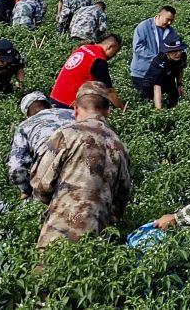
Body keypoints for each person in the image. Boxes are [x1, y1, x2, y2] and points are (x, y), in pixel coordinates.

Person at [30, 82, 131, 249]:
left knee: (46, 271)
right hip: (98, 237)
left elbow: (40, 184)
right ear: (108, 111)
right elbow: (122, 196)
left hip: (58, 232)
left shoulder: (66, 135)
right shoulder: (119, 146)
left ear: (75, 108)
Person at [7, 92, 75, 199]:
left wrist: (25, 189)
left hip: (53, 170)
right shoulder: (73, 113)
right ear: (49, 105)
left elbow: (16, 165)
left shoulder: (25, 125)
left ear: (28, 115)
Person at [49, 35, 125, 110]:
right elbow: (109, 91)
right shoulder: (99, 60)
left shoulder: (83, 48)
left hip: (55, 96)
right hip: (68, 104)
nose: (113, 56)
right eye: (115, 52)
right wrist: (122, 109)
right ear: (110, 47)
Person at [130, 6, 179, 92]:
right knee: (145, 100)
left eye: (172, 20)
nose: (169, 23)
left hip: (161, 73)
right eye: (167, 19)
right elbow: (138, 47)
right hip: (142, 73)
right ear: (159, 15)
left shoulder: (171, 31)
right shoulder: (143, 27)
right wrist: (156, 59)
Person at [141, 39, 187, 109]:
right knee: (151, 106)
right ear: (167, 52)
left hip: (169, 82)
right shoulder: (159, 64)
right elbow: (157, 87)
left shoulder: (182, 56)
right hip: (151, 87)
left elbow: (181, 68)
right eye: (174, 51)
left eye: (180, 50)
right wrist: (159, 112)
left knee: (173, 102)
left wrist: (179, 84)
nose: (178, 53)